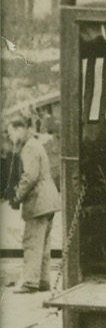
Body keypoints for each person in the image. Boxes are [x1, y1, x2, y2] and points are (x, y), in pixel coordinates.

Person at [5, 115, 60, 294]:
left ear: (19, 129)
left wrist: (17, 198)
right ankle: (43, 281)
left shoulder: (28, 148)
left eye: (10, 133)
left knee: (31, 242)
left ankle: (29, 282)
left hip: (38, 202)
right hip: (48, 201)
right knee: (43, 244)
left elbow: (30, 177)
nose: (10, 138)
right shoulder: (36, 144)